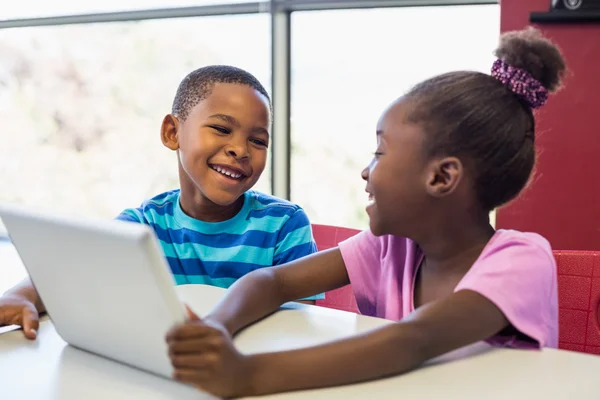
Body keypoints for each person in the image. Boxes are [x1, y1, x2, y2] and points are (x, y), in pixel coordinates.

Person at [165, 27, 567, 398]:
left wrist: (246, 375)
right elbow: (271, 281)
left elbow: (413, 340)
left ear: (442, 177)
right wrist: (216, 326)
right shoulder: (390, 247)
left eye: (380, 153)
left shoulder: (521, 261)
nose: (365, 170)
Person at [0, 65, 322, 340]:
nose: (240, 149)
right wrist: (19, 296)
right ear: (172, 133)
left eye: (258, 140)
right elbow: (72, 268)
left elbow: (298, 328)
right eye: (222, 129)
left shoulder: (285, 226)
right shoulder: (144, 224)